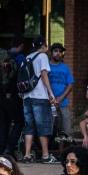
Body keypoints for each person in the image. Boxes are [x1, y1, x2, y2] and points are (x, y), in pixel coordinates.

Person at [20, 36, 56, 165]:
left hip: (27, 96)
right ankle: (45, 156)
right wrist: (50, 93)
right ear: (43, 46)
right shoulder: (42, 56)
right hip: (40, 96)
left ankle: (27, 155)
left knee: (29, 127)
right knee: (43, 126)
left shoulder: (27, 57)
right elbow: (44, 74)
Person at [0, 35, 25, 158]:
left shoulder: (3, 56)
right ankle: (9, 147)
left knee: (3, 121)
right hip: (14, 94)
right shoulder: (20, 57)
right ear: (21, 46)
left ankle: (0, 149)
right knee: (19, 121)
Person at [48, 43, 75, 153]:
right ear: (51, 52)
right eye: (56, 51)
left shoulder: (65, 68)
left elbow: (70, 85)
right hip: (49, 103)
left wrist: (61, 98)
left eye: (60, 51)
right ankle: (47, 152)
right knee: (49, 130)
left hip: (63, 103)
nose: (58, 53)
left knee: (65, 130)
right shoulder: (46, 67)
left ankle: (62, 153)